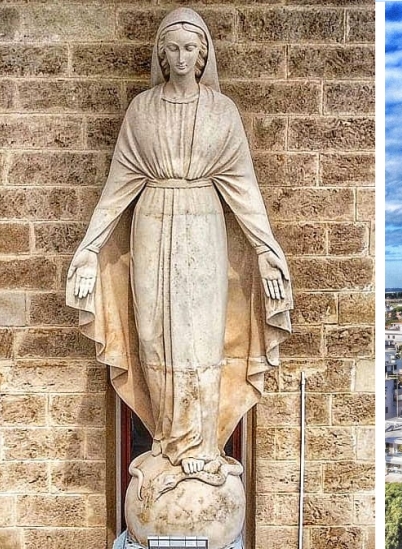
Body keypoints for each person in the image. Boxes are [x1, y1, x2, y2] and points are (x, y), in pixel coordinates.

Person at [66, 8, 292, 476]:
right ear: (162, 55)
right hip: (150, 224)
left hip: (204, 227)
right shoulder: (142, 110)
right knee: (154, 335)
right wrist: (88, 250)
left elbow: (245, 190)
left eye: (191, 48)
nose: (182, 57)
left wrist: (268, 253)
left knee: (200, 340)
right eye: (173, 48)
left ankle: (204, 446)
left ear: (203, 54)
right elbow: (117, 189)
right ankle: (167, 444)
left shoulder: (220, 111)